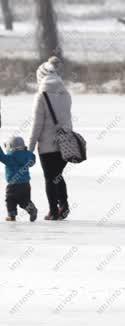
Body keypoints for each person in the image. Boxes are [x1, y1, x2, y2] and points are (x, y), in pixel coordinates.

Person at [28, 56, 73, 219]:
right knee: (58, 176)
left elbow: (37, 125)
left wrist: (30, 148)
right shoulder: (66, 94)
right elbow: (67, 120)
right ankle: (64, 206)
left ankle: (54, 211)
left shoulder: (41, 97)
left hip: (47, 146)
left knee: (50, 178)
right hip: (65, 145)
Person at [0, 136, 38, 222]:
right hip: (26, 185)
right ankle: (32, 209)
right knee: (25, 201)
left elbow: (1, 156)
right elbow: (33, 158)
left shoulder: (10, 158)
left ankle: (11, 215)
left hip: (13, 185)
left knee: (10, 199)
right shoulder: (28, 156)